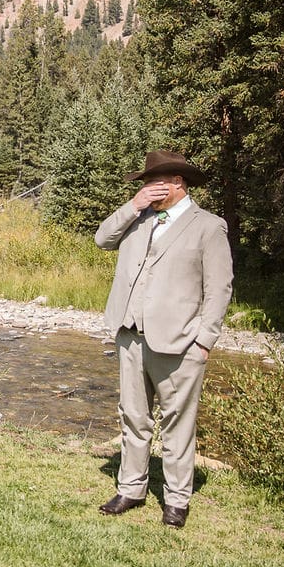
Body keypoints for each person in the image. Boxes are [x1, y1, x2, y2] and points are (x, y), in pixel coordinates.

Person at [94, 149, 233, 528]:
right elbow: (102, 239)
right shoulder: (137, 219)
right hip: (130, 335)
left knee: (177, 425)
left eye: (153, 182)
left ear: (177, 183)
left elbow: (219, 288)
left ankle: (176, 500)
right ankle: (131, 489)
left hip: (181, 342)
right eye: (144, 183)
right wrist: (131, 204)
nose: (147, 189)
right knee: (133, 417)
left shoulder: (208, 226)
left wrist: (205, 340)